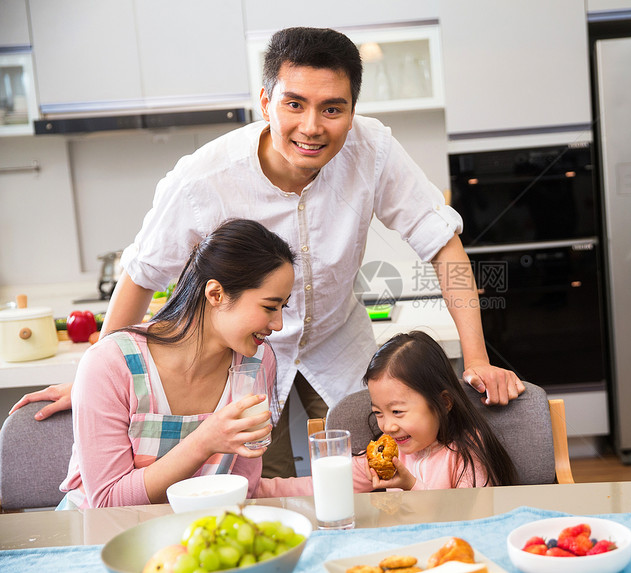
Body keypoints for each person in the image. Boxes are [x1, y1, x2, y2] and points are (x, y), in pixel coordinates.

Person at [12, 26, 524, 479]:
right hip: (242, 359)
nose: (312, 126)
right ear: (264, 102)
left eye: (333, 108)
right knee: (259, 488)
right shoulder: (204, 178)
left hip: (338, 341)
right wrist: (99, 377)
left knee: (376, 473)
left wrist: (477, 359)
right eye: (294, 104)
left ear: (352, 111)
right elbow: (141, 277)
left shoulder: (375, 151)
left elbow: (443, 245)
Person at [59, 219, 295, 509]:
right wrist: (205, 441)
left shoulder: (257, 361)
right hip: (101, 537)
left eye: (283, 307)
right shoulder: (109, 364)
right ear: (216, 294)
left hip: (197, 532)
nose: (279, 324)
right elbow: (108, 504)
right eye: (269, 307)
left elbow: (244, 490)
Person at [258, 331, 518, 497]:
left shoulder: (467, 452)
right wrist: (255, 489)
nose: (388, 426)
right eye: (378, 413)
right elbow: (319, 488)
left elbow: (470, 518)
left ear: (444, 403)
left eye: (397, 411)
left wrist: (410, 485)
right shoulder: (382, 459)